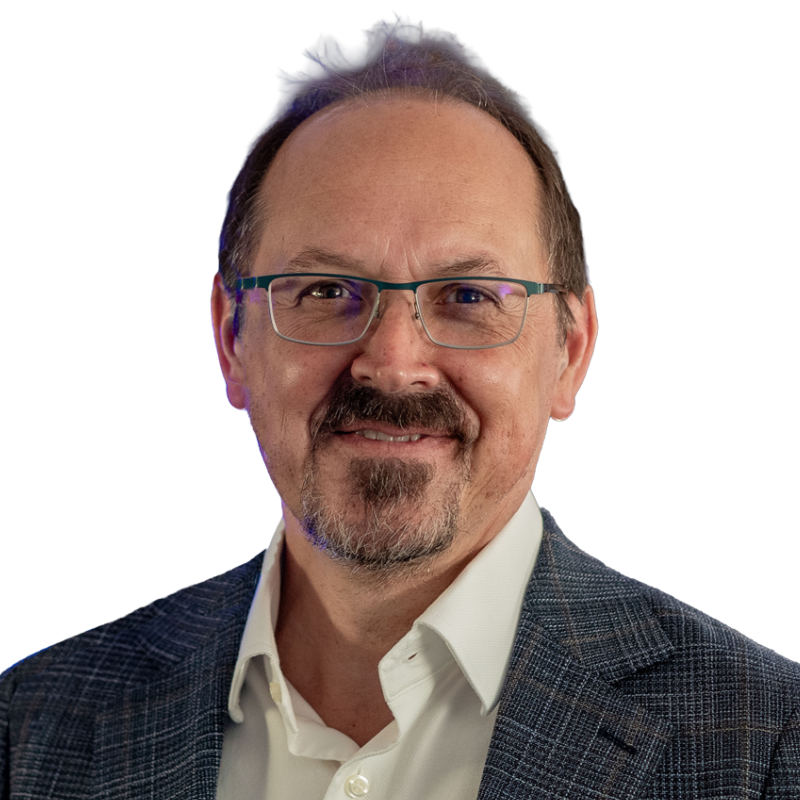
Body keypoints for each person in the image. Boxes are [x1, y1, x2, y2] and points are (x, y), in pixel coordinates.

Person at [1, 24, 798, 800]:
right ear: (230, 339)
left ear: (570, 352)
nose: (393, 362)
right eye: (323, 291)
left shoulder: (765, 748)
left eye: (468, 297)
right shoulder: (28, 732)